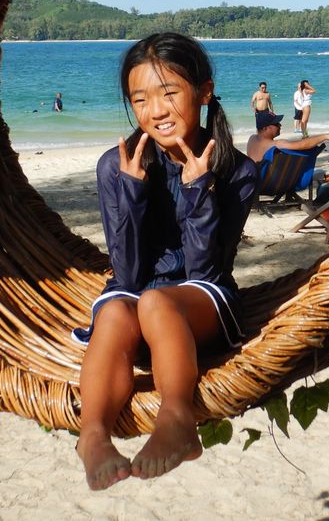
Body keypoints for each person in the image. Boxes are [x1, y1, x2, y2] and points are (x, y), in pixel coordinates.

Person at [74, 33, 258, 490]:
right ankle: (92, 434)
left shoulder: (237, 171)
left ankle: (177, 419)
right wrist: (132, 191)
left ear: (204, 92)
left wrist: (198, 192)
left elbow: (205, 271)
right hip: (137, 297)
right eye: (140, 99)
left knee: (157, 301)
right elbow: (127, 272)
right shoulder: (115, 167)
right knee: (116, 309)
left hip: (202, 302)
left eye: (169, 93)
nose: (155, 111)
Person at [244, 112, 329, 164]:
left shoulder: (251, 139)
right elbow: (303, 144)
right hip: (273, 184)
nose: (280, 125)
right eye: (276, 124)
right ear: (265, 128)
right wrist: (324, 136)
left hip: (257, 181)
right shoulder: (276, 144)